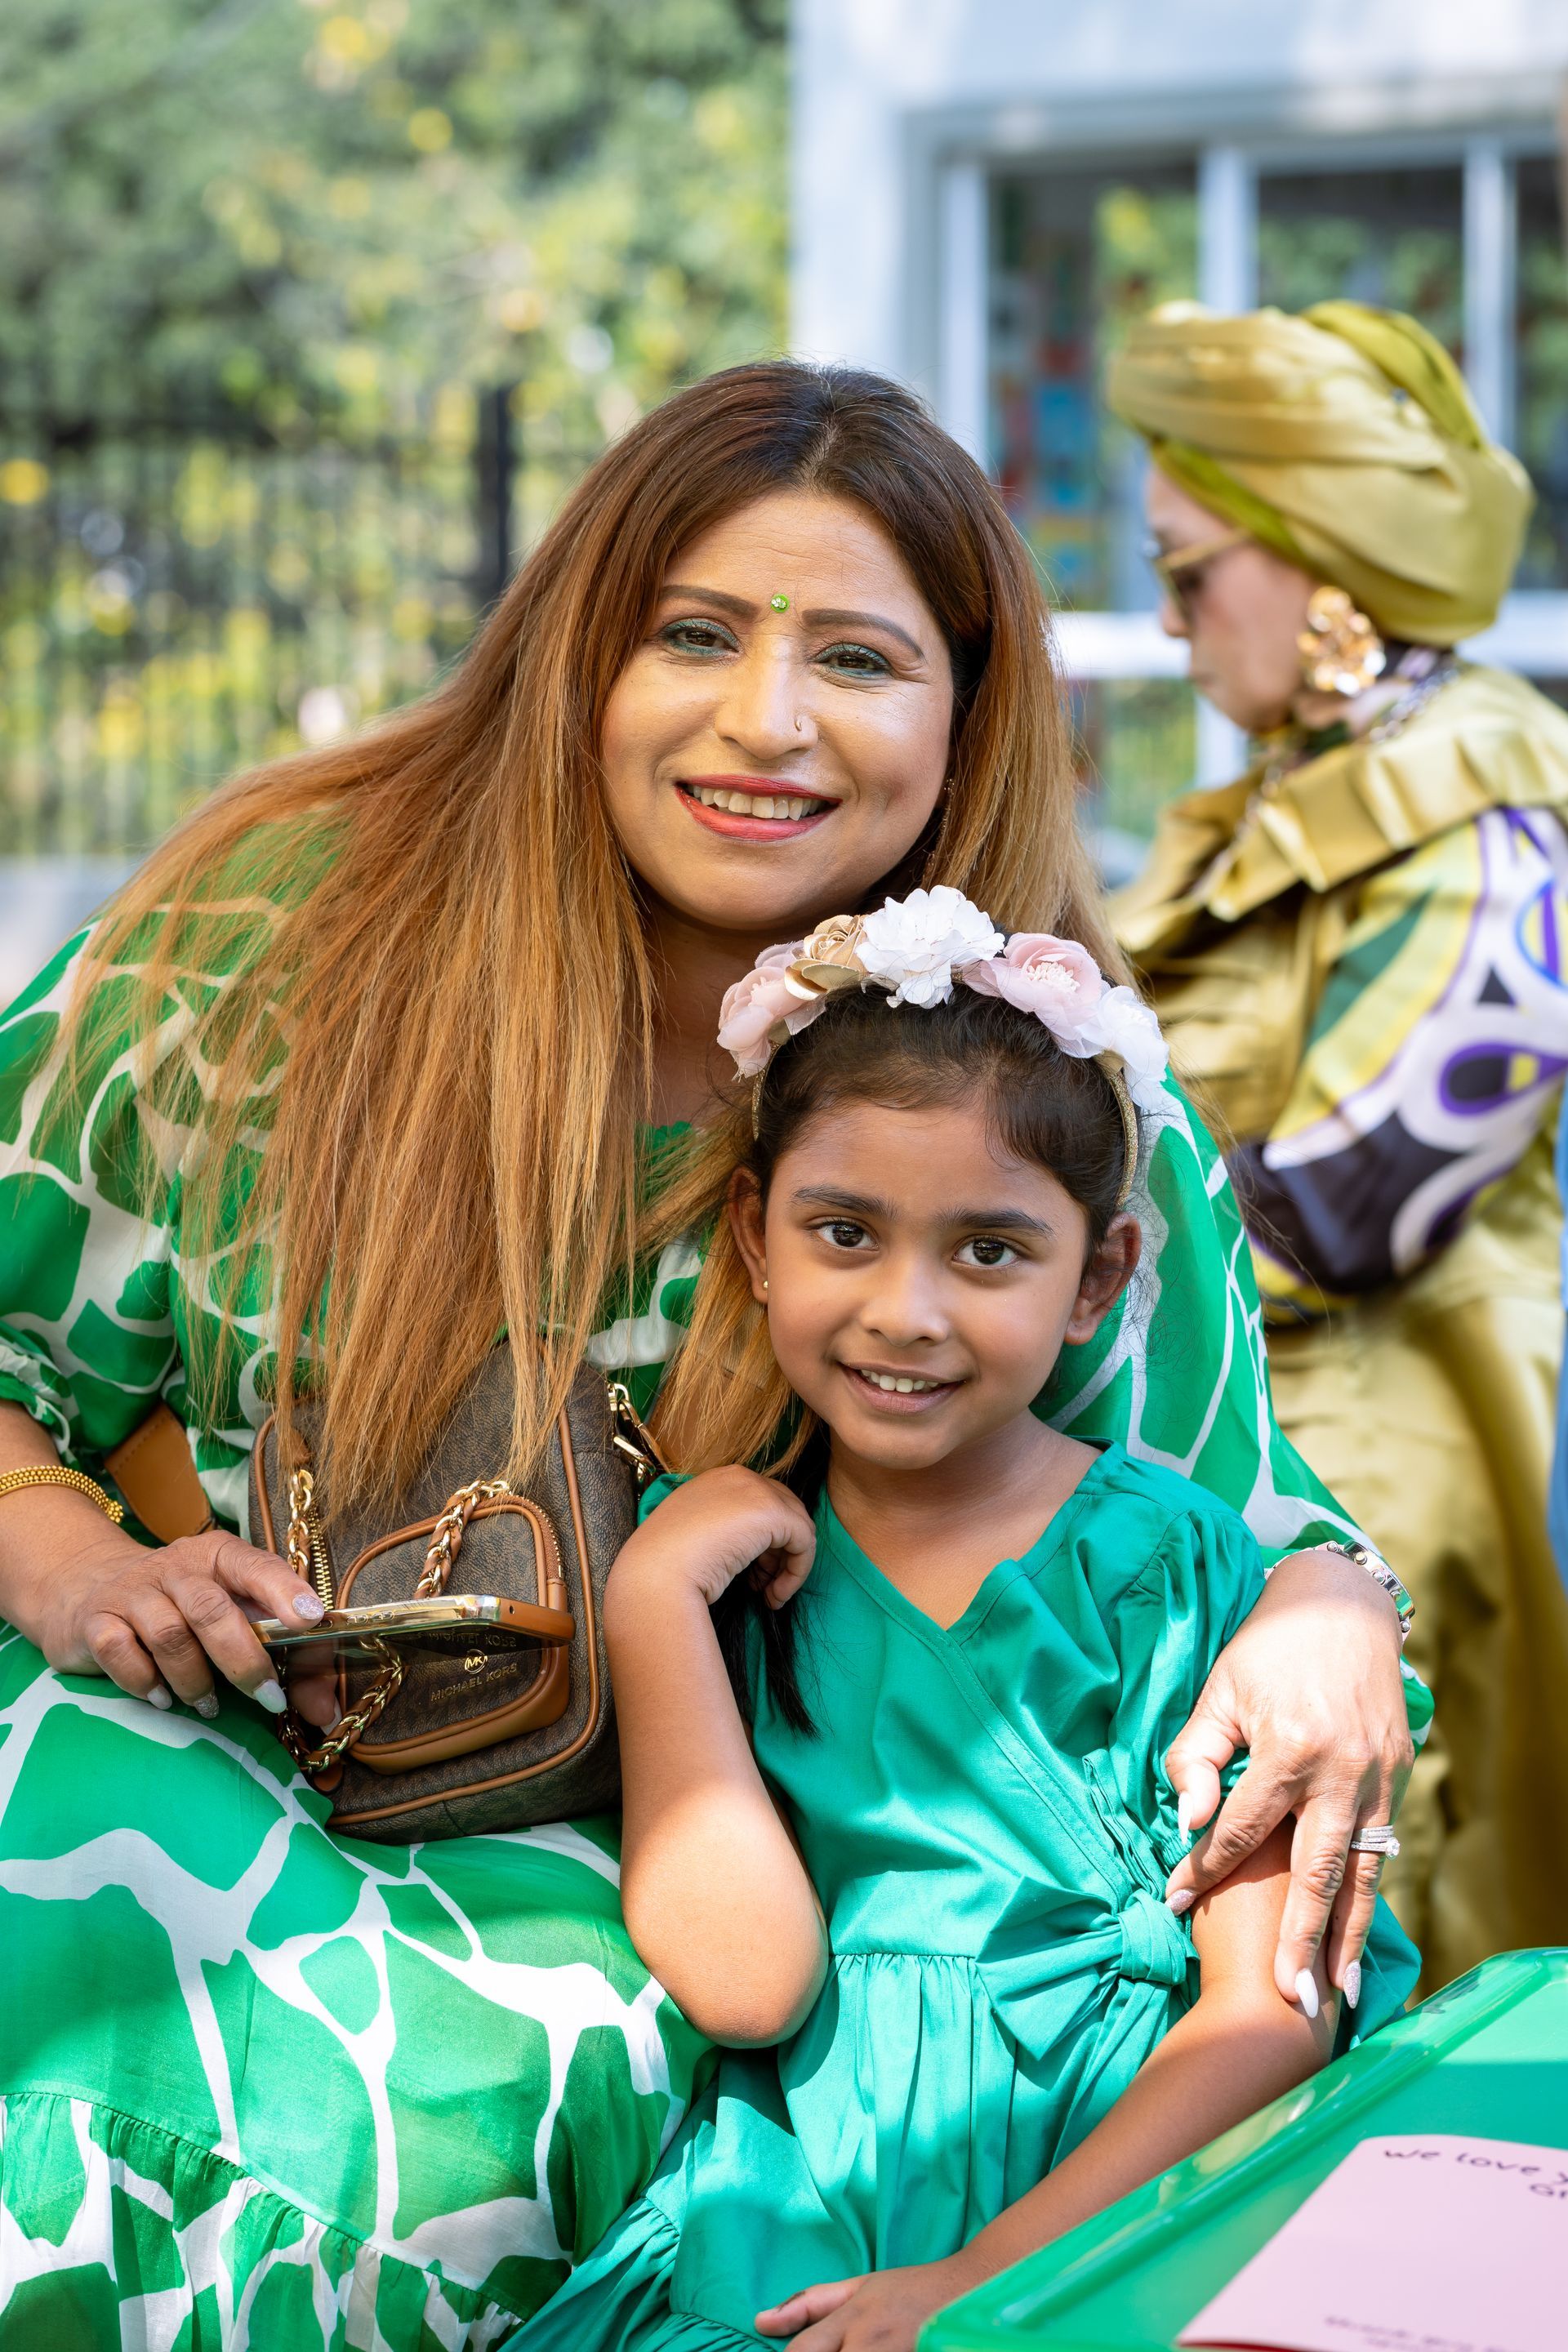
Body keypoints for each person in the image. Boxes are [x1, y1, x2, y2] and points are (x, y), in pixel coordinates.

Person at [0, 362, 1420, 2348]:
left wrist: (1340, 1604)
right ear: (580, 655)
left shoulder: (1044, 1094)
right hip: (192, 1723)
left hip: (673, 1900)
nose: (765, 722)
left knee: (443, 2117)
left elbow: (1234, 1528)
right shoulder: (272, 950)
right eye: (692, 634)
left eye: (858, 654)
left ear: (966, 712)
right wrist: (66, 1557)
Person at [510, 898, 1419, 2352]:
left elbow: (1275, 2011)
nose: (908, 1311)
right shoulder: (717, 1566)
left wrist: (989, 2281)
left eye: (989, 1251)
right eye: (845, 1234)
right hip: (807, 2202)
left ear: (1099, 1280)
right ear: (756, 1237)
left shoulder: (1169, 1572)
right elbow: (747, 1986)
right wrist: (653, 1600)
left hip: (1126, 2190)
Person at [1108, 301, 1568, 1989]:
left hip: (1388, 1463)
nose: (1166, 623)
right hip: (1243, 1443)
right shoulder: (1293, 780)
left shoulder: (1491, 787)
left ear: (1320, 561)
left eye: (1188, 569)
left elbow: (1363, 1196)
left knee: (1377, 1912)